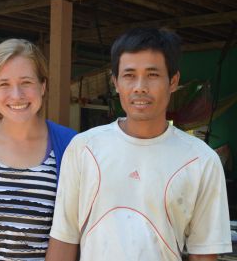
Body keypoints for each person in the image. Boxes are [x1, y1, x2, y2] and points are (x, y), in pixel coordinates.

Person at [46, 28, 232, 261]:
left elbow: (203, 254)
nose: (140, 87)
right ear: (115, 82)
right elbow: (64, 239)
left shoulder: (201, 160)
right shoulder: (84, 148)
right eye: (129, 75)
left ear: (173, 81)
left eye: (152, 75)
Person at [0, 39, 77, 261]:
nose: (16, 95)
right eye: (4, 84)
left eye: (26, 82)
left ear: (43, 86)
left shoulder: (71, 145)